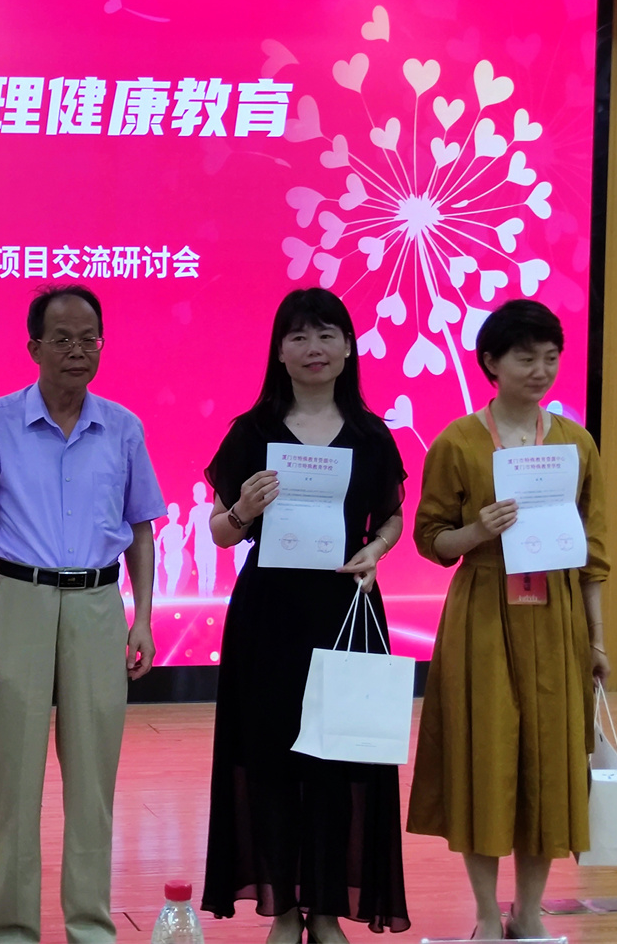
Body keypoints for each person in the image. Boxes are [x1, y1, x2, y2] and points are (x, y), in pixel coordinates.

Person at [0, 284, 164, 944]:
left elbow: (141, 530)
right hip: (18, 600)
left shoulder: (123, 427)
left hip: (99, 604)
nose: (78, 350)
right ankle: (13, 930)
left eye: (89, 338)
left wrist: (143, 617)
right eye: (63, 338)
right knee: (14, 783)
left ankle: (90, 927)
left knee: (93, 782)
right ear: (34, 347)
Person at [201, 287, 410, 943]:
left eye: (326, 335)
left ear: (347, 348)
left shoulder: (371, 435)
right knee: (268, 760)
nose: (313, 348)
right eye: (298, 336)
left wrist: (376, 550)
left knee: (338, 761)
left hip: (345, 612)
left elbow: (392, 517)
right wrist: (243, 510)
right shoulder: (252, 432)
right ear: (279, 352)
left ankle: (325, 910)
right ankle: (284, 911)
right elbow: (220, 533)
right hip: (269, 617)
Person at [407, 299, 609, 941]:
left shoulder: (576, 442)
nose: (540, 370)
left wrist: (597, 640)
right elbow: (430, 540)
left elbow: (593, 553)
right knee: (484, 758)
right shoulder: (458, 441)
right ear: (491, 363)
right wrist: (477, 531)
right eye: (526, 358)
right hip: (484, 615)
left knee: (549, 765)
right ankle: (486, 915)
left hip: (556, 614)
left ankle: (528, 912)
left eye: (551, 358)